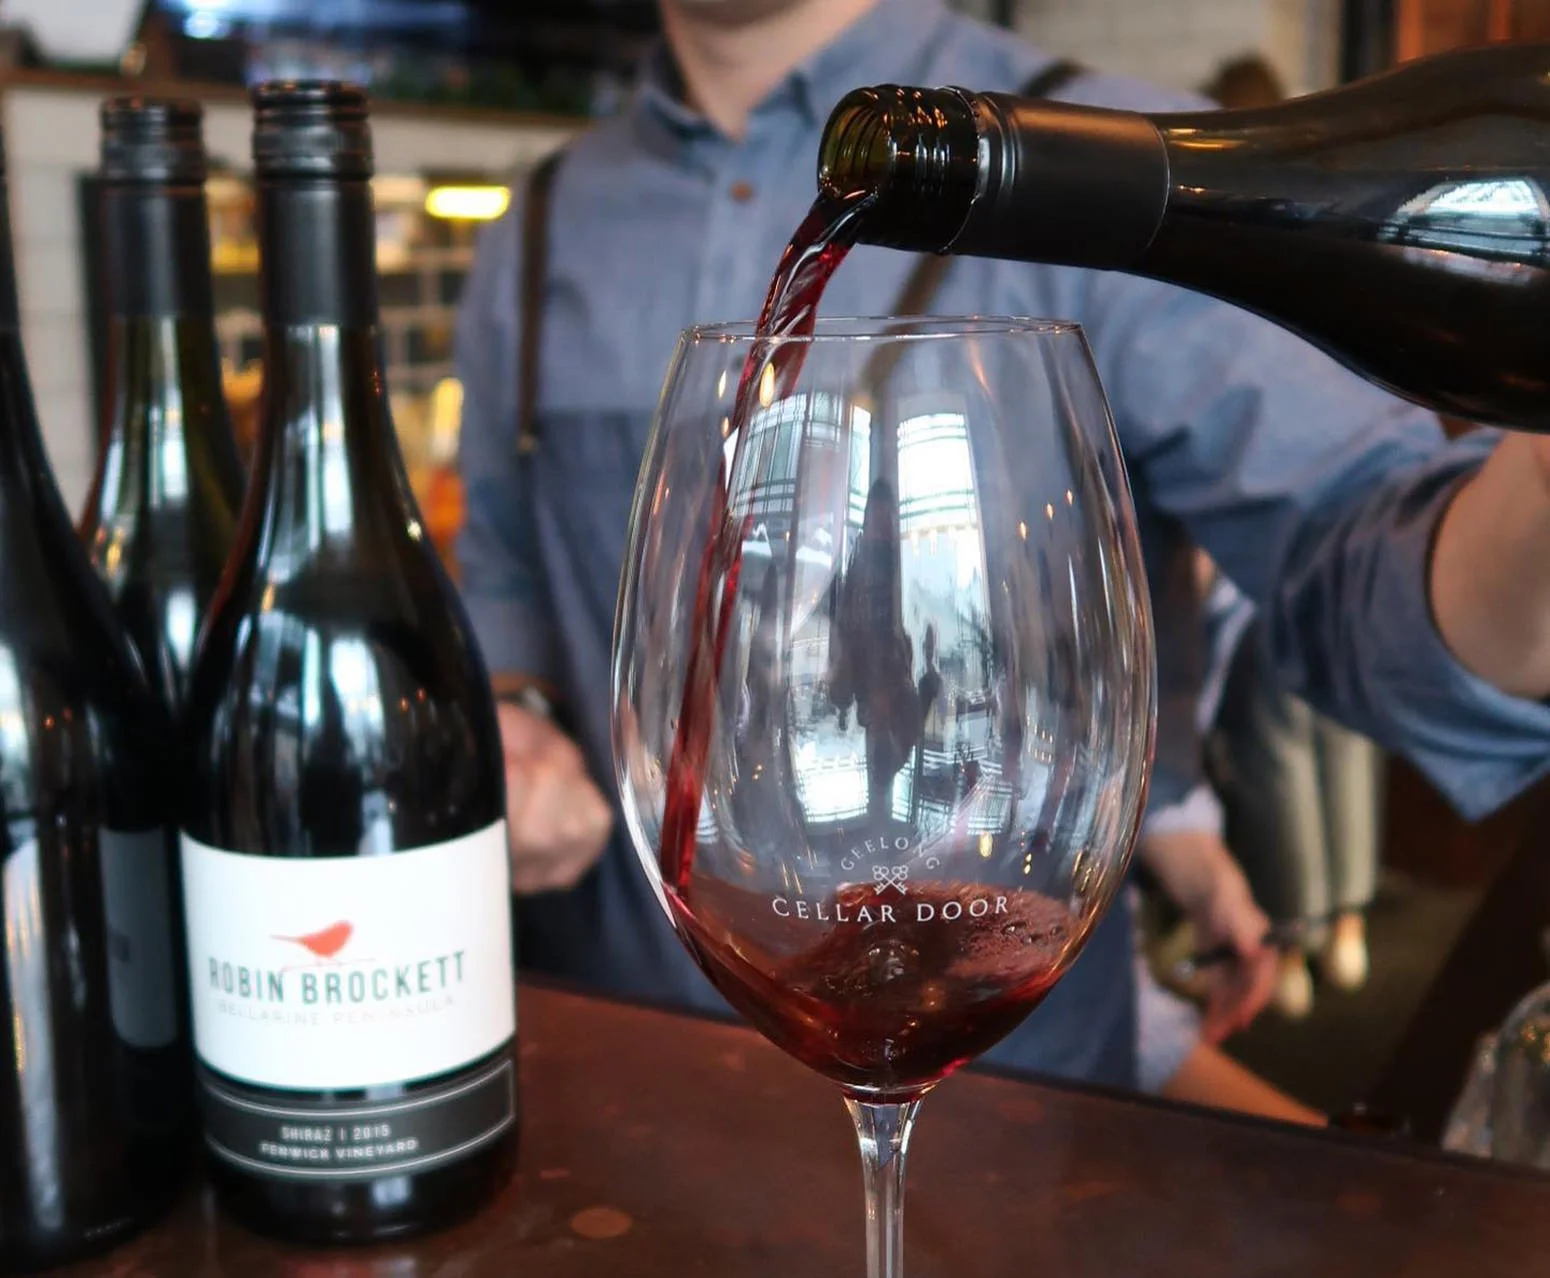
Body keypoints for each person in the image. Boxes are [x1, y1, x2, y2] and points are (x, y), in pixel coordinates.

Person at [456, 0, 1550, 1095]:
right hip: (616, 1060)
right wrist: (519, 716)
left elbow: (1363, 563)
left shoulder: (1117, 163)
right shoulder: (539, 222)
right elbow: (507, 575)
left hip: (1003, 1093)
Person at [1197, 54, 1388, 1016]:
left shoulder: (1214, 245)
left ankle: (1300, 937)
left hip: (1264, 527)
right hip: (1350, 505)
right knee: (1341, 727)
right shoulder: (1336, 228)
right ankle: (1348, 923)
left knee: (1276, 734)